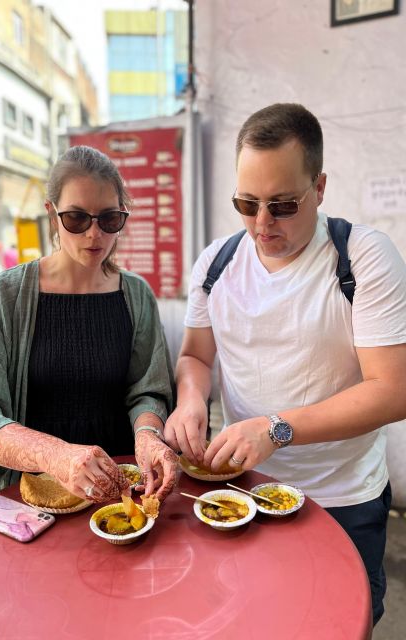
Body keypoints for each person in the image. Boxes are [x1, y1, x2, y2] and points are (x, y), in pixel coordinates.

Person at [164, 103, 406, 625]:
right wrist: (189, 402)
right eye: (246, 204)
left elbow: (393, 389)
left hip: (340, 498)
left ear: (319, 188)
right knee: (251, 617)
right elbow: (194, 356)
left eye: (283, 205)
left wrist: (276, 429)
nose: (261, 223)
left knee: (337, 622)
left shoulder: (362, 258)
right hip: (241, 486)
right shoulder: (216, 263)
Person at [0, 145, 178, 506]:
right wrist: (54, 455)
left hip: (121, 492)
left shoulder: (135, 296)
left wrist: (148, 434)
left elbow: (148, 389)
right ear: (51, 215)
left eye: (109, 220)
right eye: (76, 218)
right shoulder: (2, 297)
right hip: (34, 496)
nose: (94, 235)